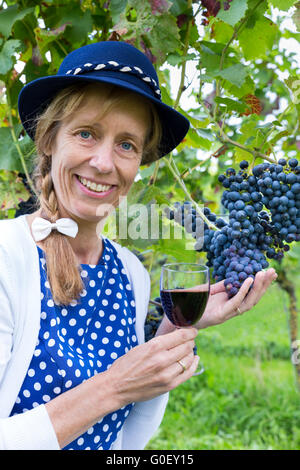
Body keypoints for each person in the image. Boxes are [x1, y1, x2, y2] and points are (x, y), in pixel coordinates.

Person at [0, 41, 277, 451]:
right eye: (86, 133)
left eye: (127, 145)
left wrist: (181, 325)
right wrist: (113, 386)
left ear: (140, 163)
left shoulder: (129, 273)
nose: (104, 163)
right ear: (48, 140)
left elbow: (126, 435)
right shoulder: (8, 257)